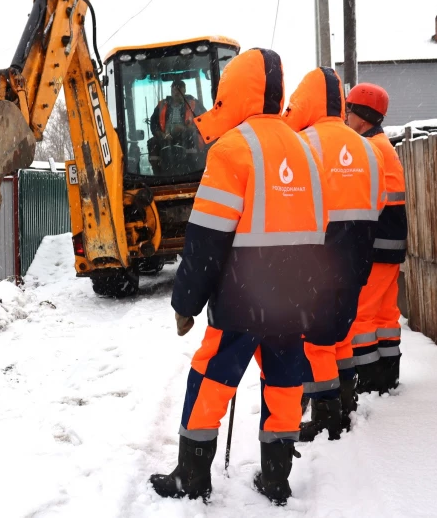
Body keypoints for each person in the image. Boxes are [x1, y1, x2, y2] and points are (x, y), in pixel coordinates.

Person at [149, 48, 328, 506]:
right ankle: (276, 478)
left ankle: (192, 477)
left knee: (212, 378)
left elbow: (206, 240)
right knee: (287, 378)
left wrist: (185, 304)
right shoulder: (305, 150)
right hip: (293, 297)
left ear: (233, 91)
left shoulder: (231, 149)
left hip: (244, 297)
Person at [283, 68, 386, 441]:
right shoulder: (367, 149)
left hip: (319, 256)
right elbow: (378, 203)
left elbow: (291, 204)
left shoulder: (302, 144)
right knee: (340, 336)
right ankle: (344, 399)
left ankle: (327, 414)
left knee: (315, 342)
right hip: (358, 255)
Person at [343, 83, 408, 394]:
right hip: (392, 243)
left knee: (362, 316)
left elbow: (370, 200)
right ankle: (387, 376)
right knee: (385, 314)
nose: (346, 117)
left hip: (378, 243)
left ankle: (369, 383)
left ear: (363, 118)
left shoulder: (369, 148)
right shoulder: (383, 144)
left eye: (350, 111)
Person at [147, 80, 206, 174]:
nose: (176, 92)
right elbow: (154, 123)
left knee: (192, 138)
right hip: (165, 137)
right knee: (152, 143)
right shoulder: (161, 105)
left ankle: (194, 172)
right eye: (174, 89)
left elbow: (204, 122)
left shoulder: (194, 104)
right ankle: (157, 175)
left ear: (184, 90)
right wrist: (161, 134)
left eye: (179, 89)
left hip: (187, 136)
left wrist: (186, 129)